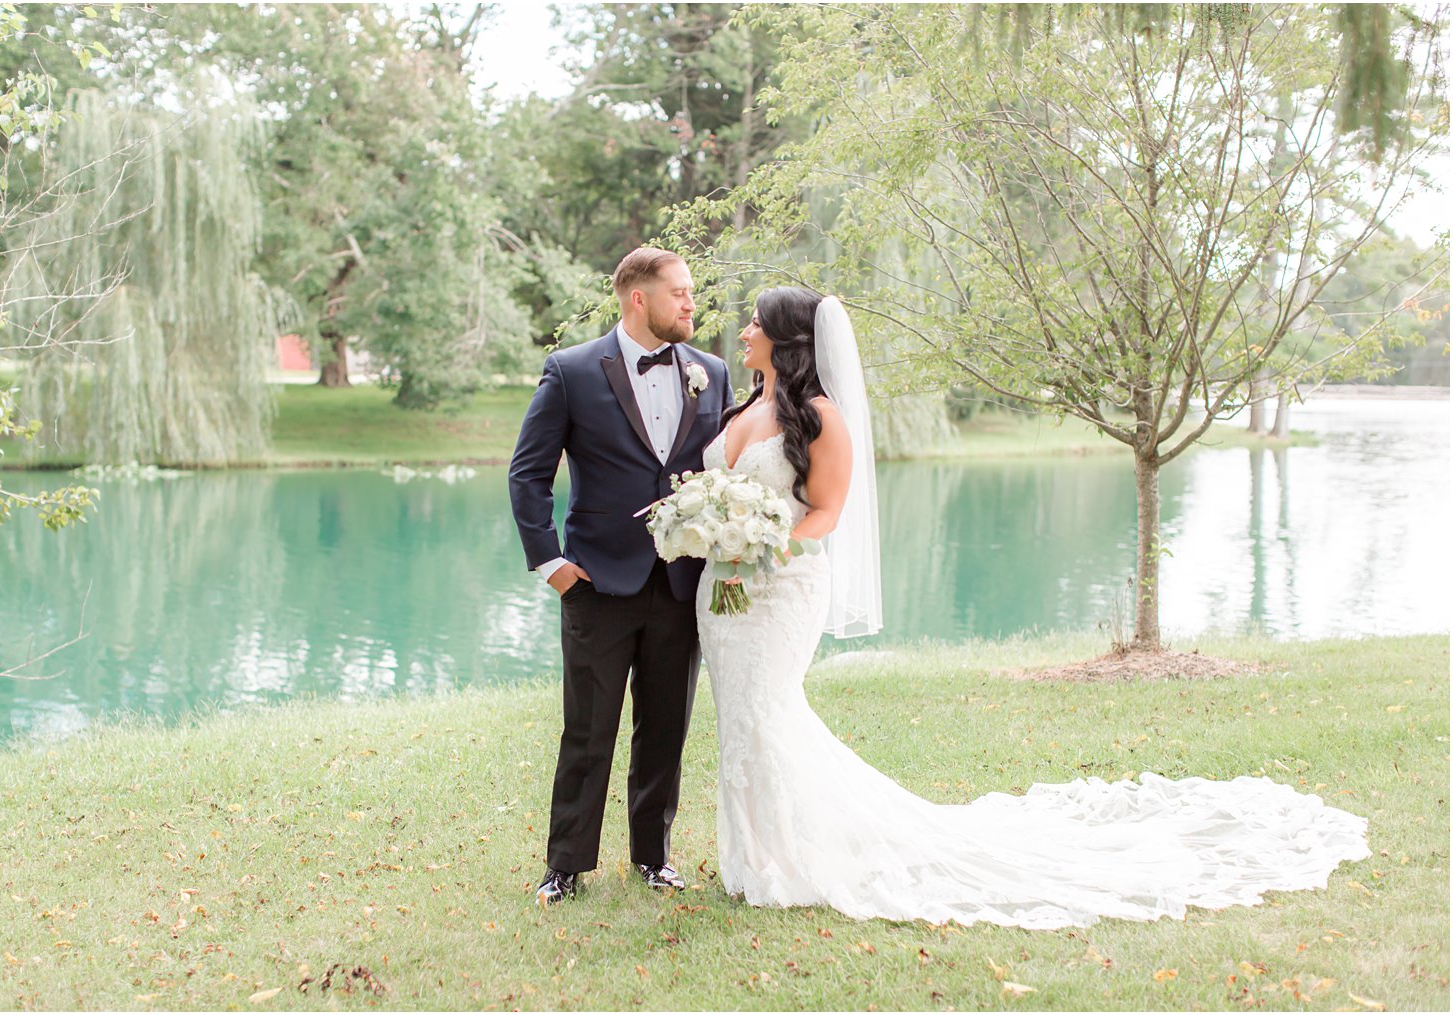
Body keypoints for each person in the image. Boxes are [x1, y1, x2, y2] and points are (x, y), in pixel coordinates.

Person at [697, 287, 1370, 928]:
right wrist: (707, 529)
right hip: (721, 592)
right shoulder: (744, 405)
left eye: (757, 321)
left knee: (768, 712)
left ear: (786, 340)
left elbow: (826, 514)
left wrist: (763, 549)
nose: (746, 329)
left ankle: (784, 857)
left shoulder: (821, 417)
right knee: (741, 717)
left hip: (779, 591)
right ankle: (752, 851)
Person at [509, 247, 734, 905]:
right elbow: (528, 471)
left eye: (691, 293)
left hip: (679, 584)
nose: (692, 304)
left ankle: (653, 855)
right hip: (596, 584)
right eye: (681, 293)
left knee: (666, 727)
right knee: (588, 729)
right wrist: (550, 562)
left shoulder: (711, 372)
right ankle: (566, 864)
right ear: (638, 297)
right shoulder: (573, 370)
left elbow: (722, 471)